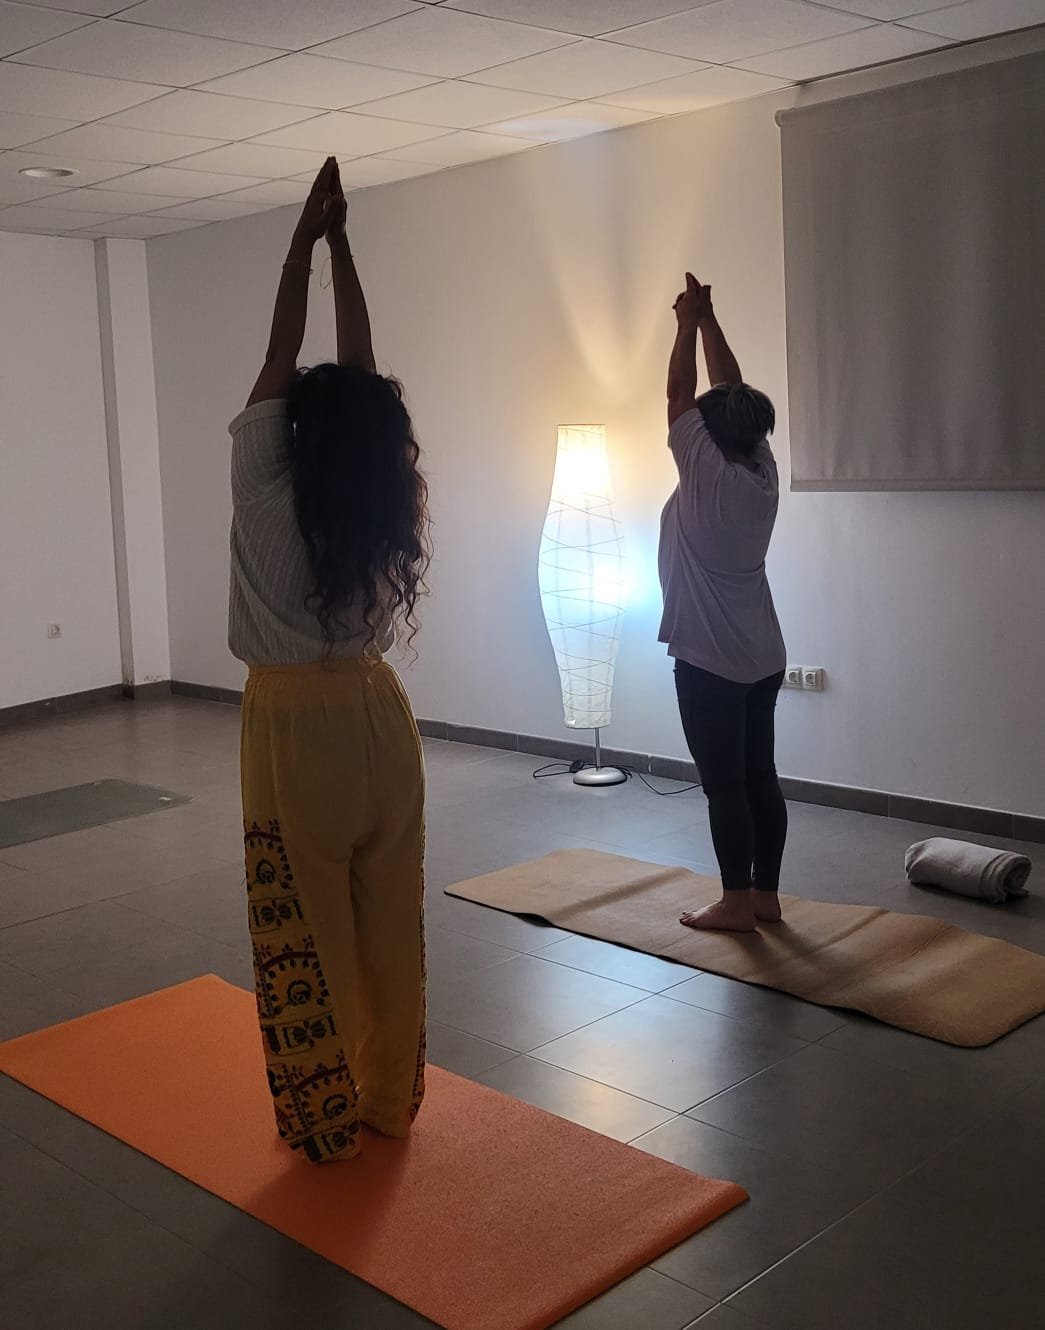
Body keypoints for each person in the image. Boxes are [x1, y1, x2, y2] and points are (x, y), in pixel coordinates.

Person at [229, 158, 430, 1161]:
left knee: (303, 932)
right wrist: (340, 244)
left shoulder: (266, 488)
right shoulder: (380, 492)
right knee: (389, 917)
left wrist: (302, 244)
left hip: (290, 729)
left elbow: (282, 353)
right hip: (381, 716)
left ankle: (322, 1117)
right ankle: (388, 1100)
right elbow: (360, 368)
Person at [660, 273, 787, 933]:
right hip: (763, 655)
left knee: (725, 786)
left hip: (711, 661)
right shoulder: (760, 471)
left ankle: (736, 904)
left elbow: (680, 393)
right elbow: (727, 392)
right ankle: (765, 897)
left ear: (709, 435)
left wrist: (686, 322)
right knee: (760, 775)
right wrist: (708, 319)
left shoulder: (703, 471)